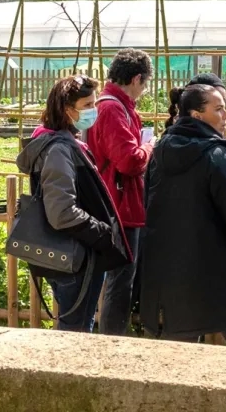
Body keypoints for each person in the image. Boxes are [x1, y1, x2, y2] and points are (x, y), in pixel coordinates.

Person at [141, 84, 226, 347]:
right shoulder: (217, 156)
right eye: (218, 109)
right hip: (222, 281)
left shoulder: (159, 155)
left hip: (171, 282)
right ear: (196, 116)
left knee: (178, 371)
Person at [16, 74, 132, 332]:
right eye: (87, 106)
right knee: (76, 331)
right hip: (76, 257)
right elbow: (62, 212)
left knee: (76, 325)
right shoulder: (59, 149)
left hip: (69, 254)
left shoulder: (57, 143)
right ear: (68, 111)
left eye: (94, 104)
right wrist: (101, 232)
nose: (94, 111)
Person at [86, 48, 155, 336]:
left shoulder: (111, 105)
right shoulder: (113, 109)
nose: (145, 89)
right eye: (146, 82)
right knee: (120, 279)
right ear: (137, 78)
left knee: (117, 277)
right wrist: (150, 147)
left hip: (115, 202)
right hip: (119, 207)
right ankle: (113, 342)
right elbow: (129, 160)